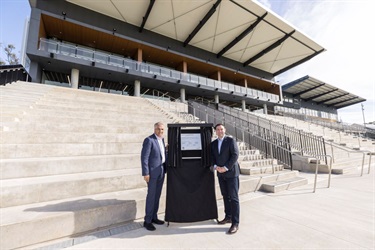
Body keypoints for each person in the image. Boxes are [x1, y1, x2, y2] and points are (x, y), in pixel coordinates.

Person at [211, 123, 240, 234]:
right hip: (220, 174)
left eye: (221, 129)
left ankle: (235, 223)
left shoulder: (230, 140)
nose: (220, 131)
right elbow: (212, 157)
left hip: (231, 173)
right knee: (225, 196)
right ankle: (228, 216)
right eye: (218, 129)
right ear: (215, 131)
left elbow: (235, 155)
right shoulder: (213, 144)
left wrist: (226, 167)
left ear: (225, 130)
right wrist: (215, 167)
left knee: (233, 198)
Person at [141, 122, 167, 231]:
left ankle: (154, 217)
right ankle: (147, 221)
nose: (160, 131)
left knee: (157, 195)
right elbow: (144, 158)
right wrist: (145, 173)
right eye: (158, 129)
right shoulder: (149, 140)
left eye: (162, 129)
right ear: (154, 129)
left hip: (161, 171)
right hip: (151, 174)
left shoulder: (161, 140)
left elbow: (161, 154)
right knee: (151, 196)